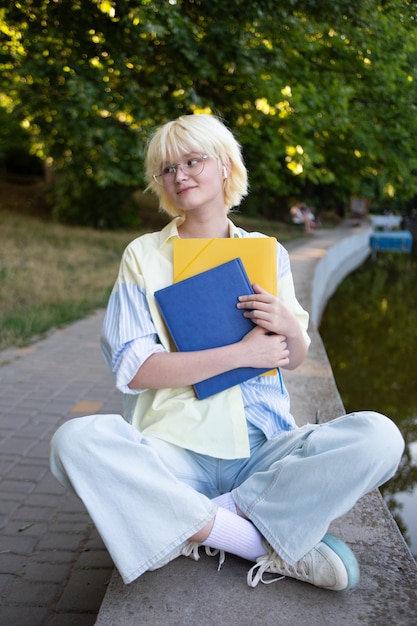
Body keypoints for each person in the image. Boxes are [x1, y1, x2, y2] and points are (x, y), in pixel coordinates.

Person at [50, 114, 404, 591]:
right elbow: (135, 369)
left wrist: (284, 328)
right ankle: (257, 542)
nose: (180, 176)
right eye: (167, 169)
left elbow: (294, 355)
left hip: (260, 445)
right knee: (73, 442)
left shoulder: (267, 251)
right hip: (172, 451)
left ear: (225, 167)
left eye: (192, 161)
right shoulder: (143, 255)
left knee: (380, 437)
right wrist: (241, 353)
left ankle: (204, 520)